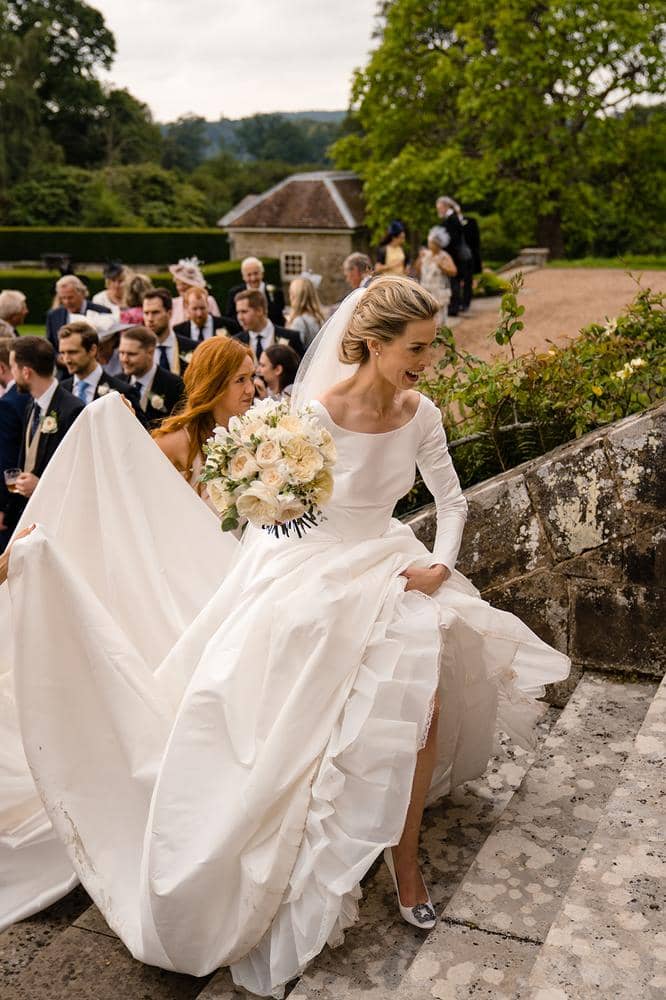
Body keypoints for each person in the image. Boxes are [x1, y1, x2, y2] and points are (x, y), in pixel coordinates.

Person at [0, 277, 569, 998]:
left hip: (394, 566)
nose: (428, 360)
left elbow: (450, 501)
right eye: (417, 348)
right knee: (288, 711)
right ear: (374, 344)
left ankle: (408, 857)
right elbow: (279, 514)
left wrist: (439, 564)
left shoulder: (420, 413)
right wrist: (273, 506)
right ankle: (312, 827)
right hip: (313, 569)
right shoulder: (316, 414)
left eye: (431, 347)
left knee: (421, 699)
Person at [152, 337, 254, 511]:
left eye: (251, 377)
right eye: (240, 380)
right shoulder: (176, 441)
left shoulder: (256, 433)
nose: (250, 389)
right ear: (214, 384)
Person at [9, 336, 84, 505]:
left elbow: (79, 471)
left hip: (57, 510)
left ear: (26, 372)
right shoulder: (32, 404)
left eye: (13, 367)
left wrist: (41, 485)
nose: (13, 375)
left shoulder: (72, 410)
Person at [58, 322, 141, 412]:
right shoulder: (60, 391)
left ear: (93, 350)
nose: (66, 360)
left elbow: (141, 426)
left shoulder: (122, 391)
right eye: (62, 353)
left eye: (72, 352)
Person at [118, 326, 185, 426]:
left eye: (131, 354)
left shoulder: (174, 385)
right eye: (121, 353)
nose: (124, 359)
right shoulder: (117, 383)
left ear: (150, 352)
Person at [0, 338, 30, 550]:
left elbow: (6, 458)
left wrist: (3, 507)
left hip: (11, 503)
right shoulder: (29, 395)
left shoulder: (8, 403)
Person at [45, 275, 112, 353]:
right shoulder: (54, 315)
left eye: (70, 297)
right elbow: (50, 345)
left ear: (82, 293)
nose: (67, 302)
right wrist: (59, 358)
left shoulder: (102, 312)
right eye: (63, 298)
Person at [232, 289, 304, 359]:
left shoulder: (291, 337)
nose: (240, 317)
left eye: (244, 312)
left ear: (259, 310)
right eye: (238, 312)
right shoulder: (236, 342)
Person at [143, 288, 197, 377]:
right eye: (146, 313)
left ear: (169, 313)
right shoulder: (139, 350)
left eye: (155, 312)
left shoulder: (192, 348)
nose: (150, 319)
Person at [435, 197, 473, 316]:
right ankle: (454, 306)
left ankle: (454, 307)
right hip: (455, 255)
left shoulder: (452, 219)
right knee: (454, 281)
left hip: (456, 256)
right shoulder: (451, 218)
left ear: (446, 207)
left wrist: (443, 251)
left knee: (455, 280)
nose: (438, 211)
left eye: (440, 208)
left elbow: (453, 239)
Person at [225, 256, 285, 326]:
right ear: (243, 277)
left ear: (262, 273)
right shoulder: (234, 293)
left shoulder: (276, 292)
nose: (253, 278)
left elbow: (280, 318)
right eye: (249, 275)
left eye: (256, 273)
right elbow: (231, 319)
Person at [415, 228, 457, 325]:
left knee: (440, 319)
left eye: (431, 242)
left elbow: (454, 272)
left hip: (439, 291)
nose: (429, 245)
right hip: (426, 290)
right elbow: (417, 270)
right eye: (429, 242)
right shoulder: (426, 254)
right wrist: (419, 257)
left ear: (437, 245)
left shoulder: (444, 256)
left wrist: (441, 266)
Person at [172, 286, 239, 343]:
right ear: (187, 308)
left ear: (208, 305)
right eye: (194, 309)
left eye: (202, 308)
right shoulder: (178, 331)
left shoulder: (229, 326)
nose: (199, 314)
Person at [168, 258, 221, 329]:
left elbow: (218, 326)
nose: (180, 288)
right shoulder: (174, 303)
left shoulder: (209, 300)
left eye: (184, 284)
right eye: (178, 284)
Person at [285, 277, 325, 350]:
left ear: (295, 296)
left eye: (291, 293)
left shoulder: (299, 321)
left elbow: (291, 350)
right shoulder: (319, 318)